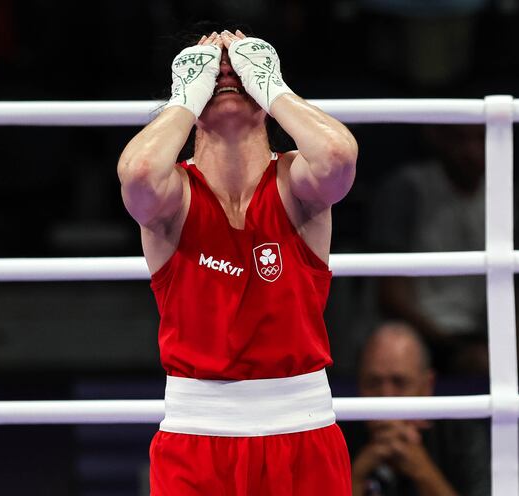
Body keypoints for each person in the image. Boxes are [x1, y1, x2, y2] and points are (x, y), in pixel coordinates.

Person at [116, 29, 358, 495]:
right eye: (212, 72)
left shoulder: (295, 184)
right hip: (196, 436)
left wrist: (272, 85)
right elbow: (139, 172)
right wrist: (184, 98)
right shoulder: (174, 198)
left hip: (303, 431)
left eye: (241, 71)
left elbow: (338, 155)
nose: (227, 71)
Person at [369, 124, 488, 374]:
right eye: (461, 139)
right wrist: (453, 348)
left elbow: (514, 287)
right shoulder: (407, 189)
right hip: (420, 335)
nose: (472, 151)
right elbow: (391, 295)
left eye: (481, 139)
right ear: (439, 138)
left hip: (481, 338)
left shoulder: (500, 193)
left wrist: (517, 348)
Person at [347, 322, 490, 496]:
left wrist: (422, 471)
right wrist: (355, 477)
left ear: (427, 386)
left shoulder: (464, 438)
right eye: (373, 383)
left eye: (399, 383)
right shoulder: (339, 438)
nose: (386, 397)